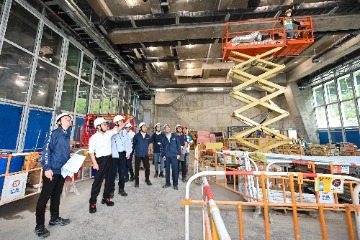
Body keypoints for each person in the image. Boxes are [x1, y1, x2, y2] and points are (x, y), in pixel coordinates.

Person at [35, 113, 73, 238]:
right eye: (67, 118)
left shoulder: (66, 136)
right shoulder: (54, 134)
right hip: (52, 170)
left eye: (70, 119)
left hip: (62, 171)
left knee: (56, 196)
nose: (70, 120)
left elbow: (61, 153)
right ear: (60, 121)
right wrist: (47, 168)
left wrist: (69, 157)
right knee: (44, 198)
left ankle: (54, 218)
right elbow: (46, 151)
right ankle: (39, 226)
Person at [88, 116, 129, 213]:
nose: (106, 125)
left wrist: (124, 123)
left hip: (109, 159)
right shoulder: (93, 138)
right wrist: (95, 163)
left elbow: (117, 129)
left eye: (106, 124)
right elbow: (91, 152)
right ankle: (92, 203)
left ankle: (106, 198)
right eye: (104, 124)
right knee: (97, 182)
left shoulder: (108, 134)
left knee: (110, 180)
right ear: (98, 127)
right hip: (100, 161)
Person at [110, 116, 132, 198]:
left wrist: (128, 152)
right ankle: (111, 190)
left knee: (122, 172)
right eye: (120, 121)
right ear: (116, 122)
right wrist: (125, 123)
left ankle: (121, 189)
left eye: (122, 121)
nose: (122, 122)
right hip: (114, 155)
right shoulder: (112, 131)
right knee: (112, 173)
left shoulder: (125, 132)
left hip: (122, 154)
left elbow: (128, 142)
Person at [161, 124, 181, 190]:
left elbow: (178, 145)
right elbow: (162, 147)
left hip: (174, 155)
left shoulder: (175, 136)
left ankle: (175, 184)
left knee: (175, 170)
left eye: (168, 128)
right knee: (167, 170)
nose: (168, 129)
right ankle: (167, 183)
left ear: (170, 129)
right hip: (167, 156)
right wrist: (163, 155)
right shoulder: (163, 137)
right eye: (166, 128)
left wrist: (179, 154)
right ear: (164, 130)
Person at [133, 122, 152, 187]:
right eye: (144, 127)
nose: (145, 128)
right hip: (138, 154)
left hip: (145, 154)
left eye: (146, 127)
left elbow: (150, 144)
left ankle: (147, 179)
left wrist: (150, 150)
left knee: (147, 167)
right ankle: (136, 182)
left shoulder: (148, 136)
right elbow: (134, 144)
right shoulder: (136, 136)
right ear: (140, 128)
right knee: (137, 168)